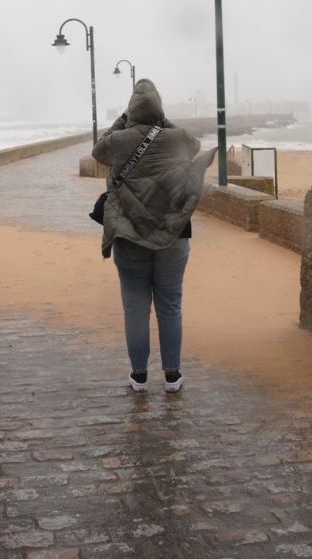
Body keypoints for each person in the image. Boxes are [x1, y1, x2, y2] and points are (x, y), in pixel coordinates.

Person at [92, 79, 216, 393]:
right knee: (170, 305)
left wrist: (124, 119)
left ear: (132, 109)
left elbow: (99, 150)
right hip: (173, 236)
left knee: (136, 309)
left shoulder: (119, 140)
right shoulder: (178, 138)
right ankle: (172, 375)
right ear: (159, 109)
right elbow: (194, 145)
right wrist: (160, 120)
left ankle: (139, 376)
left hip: (129, 235)